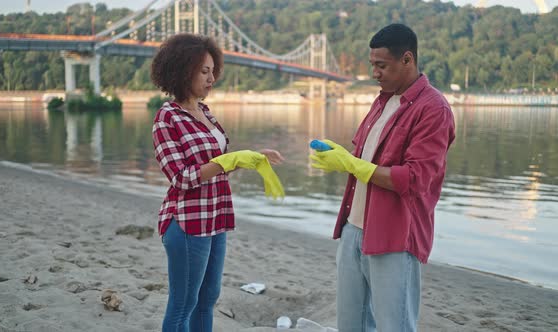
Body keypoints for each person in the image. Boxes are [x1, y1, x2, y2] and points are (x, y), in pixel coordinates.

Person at [310, 24, 455, 332]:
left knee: (395, 326)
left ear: (407, 60)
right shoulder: (382, 101)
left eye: (382, 65)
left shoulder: (434, 109)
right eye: (372, 64)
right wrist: (342, 157)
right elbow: (364, 159)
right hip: (354, 230)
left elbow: (415, 179)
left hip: (395, 236)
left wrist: (352, 164)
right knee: (350, 325)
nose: (375, 72)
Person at [150, 33, 284, 332]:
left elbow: (218, 165)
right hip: (186, 222)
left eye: (213, 71)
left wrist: (251, 157)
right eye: (204, 72)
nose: (212, 79)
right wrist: (230, 160)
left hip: (215, 218)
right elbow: (181, 177)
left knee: (208, 298)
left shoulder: (206, 112)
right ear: (182, 71)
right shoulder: (167, 118)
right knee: (183, 304)